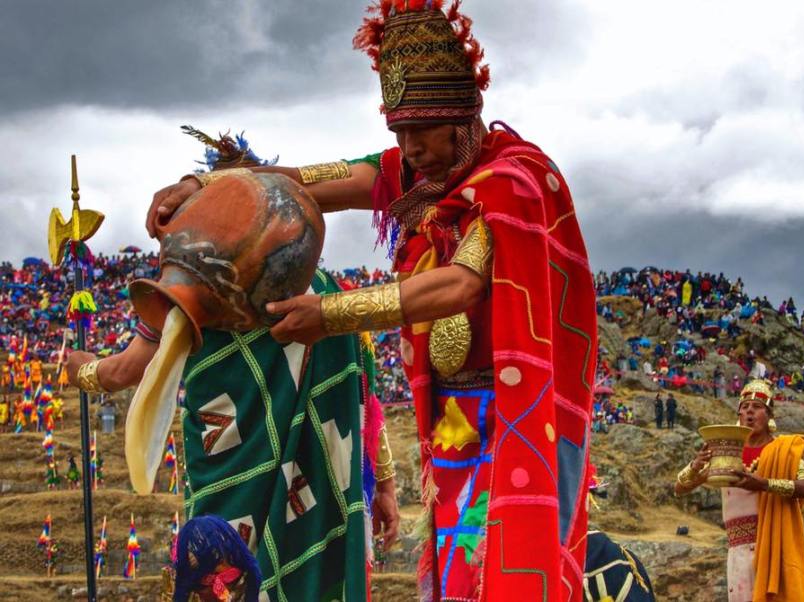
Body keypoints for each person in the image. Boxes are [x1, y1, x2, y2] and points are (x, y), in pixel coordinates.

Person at [145, 2, 597, 600]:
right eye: (399, 134)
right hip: (452, 422)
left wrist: (330, 315)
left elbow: (461, 284)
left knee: (499, 571)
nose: (409, 148)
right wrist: (204, 186)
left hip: (510, 414)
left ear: (460, 119)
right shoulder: (415, 175)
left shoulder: (510, 183)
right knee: (457, 575)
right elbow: (311, 180)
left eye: (421, 132)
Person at [69, 130, 399, 602]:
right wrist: (384, 485)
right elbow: (367, 402)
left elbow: (122, 372)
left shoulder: (187, 296)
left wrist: (78, 369)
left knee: (224, 579)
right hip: (320, 500)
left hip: (229, 489)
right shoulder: (325, 295)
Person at [675, 380, 804, 601]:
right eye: (745, 407)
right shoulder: (725, 453)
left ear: (769, 415)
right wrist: (695, 465)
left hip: (773, 546)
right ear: (738, 415)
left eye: (757, 407)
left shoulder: (784, 450)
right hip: (737, 551)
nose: (749, 412)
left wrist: (763, 484)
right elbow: (680, 488)